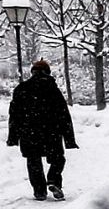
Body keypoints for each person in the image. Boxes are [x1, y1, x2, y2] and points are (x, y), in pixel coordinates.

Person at [6, 59, 77, 200]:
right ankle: (53, 181)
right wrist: (69, 140)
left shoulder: (21, 89)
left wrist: (13, 137)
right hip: (51, 132)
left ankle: (39, 191)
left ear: (32, 72)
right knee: (57, 159)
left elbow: (14, 115)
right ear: (47, 72)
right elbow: (64, 115)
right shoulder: (53, 89)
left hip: (29, 132)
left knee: (34, 161)